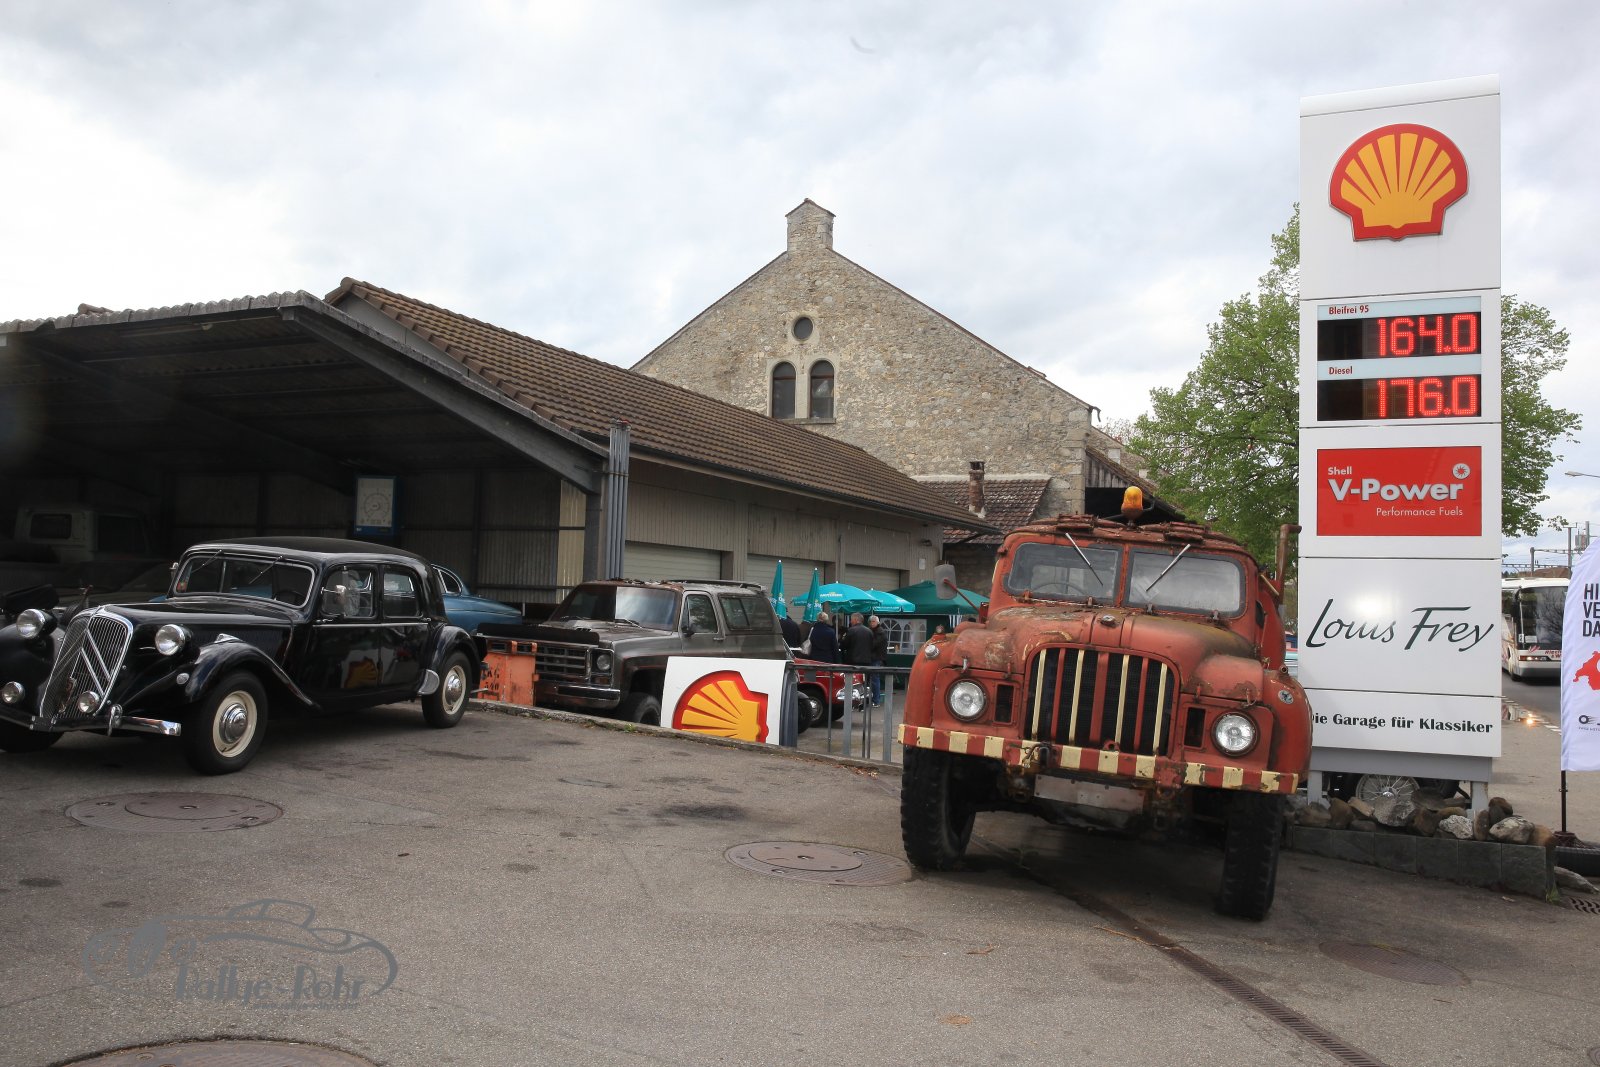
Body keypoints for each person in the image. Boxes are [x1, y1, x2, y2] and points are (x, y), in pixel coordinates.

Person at [868, 614, 888, 707]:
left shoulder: (880, 632)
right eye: (871, 621)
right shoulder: (874, 631)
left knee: (875, 679)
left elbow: (873, 644)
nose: (872, 623)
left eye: (873, 621)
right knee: (873, 679)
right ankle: (874, 699)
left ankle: (876, 700)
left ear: (877, 622)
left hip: (876, 658)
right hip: (874, 657)